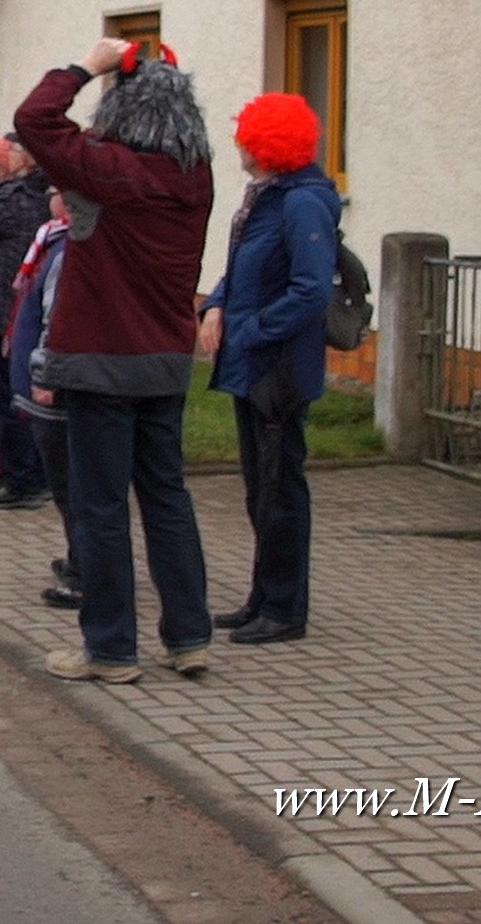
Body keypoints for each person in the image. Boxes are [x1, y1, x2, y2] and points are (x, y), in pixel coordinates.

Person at [14, 37, 215, 686]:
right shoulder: (196, 175)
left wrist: (86, 68)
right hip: (165, 359)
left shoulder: (106, 167)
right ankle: (187, 638)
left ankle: (110, 649)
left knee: (101, 508)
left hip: (100, 359)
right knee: (167, 499)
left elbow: (34, 121)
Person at [199, 94, 339, 647]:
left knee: (280, 489)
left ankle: (285, 607)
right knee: (260, 486)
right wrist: (216, 303)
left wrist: (250, 328)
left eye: (245, 138)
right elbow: (245, 268)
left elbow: (310, 290)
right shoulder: (269, 197)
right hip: (254, 364)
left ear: (266, 145)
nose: (237, 145)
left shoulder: (302, 202)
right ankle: (263, 597)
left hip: (278, 368)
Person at [0, 137, 52, 507]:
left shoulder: (12, 199)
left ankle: (22, 480)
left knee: (10, 399)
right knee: (27, 396)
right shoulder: (38, 195)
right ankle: (34, 472)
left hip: (6, 312)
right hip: (27, 309)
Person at [9, 195, 80, 607]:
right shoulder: (55, 242)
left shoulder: (68, 249)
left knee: (71, 485)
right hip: (49, 377)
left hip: (54, 385)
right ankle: (80, 560)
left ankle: (83, 572)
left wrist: (46, 373)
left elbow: (58, 316)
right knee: (69, 485)